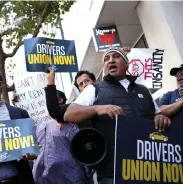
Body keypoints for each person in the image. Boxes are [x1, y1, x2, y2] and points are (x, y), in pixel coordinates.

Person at [64, 46, 171, 184]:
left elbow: (157, 114)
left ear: (126, 63)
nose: (110, 61)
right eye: (106, 59)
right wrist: (97, 109)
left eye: (116, 56)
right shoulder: (94, 90)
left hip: (149, 168)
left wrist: (160, 117)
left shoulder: (143, 90)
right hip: (113, 172)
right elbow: (69, 114)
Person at [33, 68, 95, 184]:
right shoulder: (74, 113)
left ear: (95, 82)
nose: (85, 85)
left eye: (87, 81)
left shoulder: (108, 96)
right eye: (81, 84)